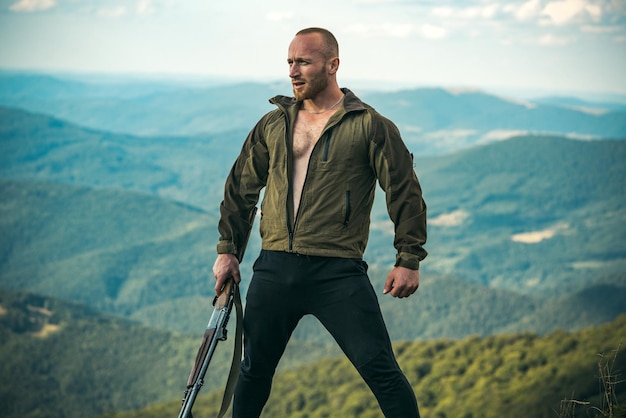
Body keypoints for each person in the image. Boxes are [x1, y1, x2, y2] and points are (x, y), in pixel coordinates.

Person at [213, 27, 427, 418]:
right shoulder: (272, 124)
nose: (294, 71)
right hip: (275, 266)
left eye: (304, 62)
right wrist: (229, 251)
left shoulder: (369, 125)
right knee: (253, 373)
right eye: (290, 62)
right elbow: (241, 189)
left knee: (381, 371)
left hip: (337, 272)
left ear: (333, 65)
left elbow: (404, 191)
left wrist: (408, 257)